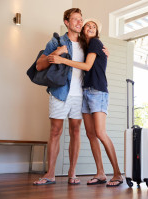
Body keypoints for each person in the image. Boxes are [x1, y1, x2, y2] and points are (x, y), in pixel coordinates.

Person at [33, 9, 109, 185]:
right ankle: (50, 174)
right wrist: (57, 53)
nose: (79, 23)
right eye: (75, 20)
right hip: (60, 93)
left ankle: (72, 173)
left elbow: (96, 61)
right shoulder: (57, 41)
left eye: (80, 20)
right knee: (55, 132)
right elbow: (38, 66)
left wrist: (106, 52)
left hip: (79, 95)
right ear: (66, 22)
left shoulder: (87, 43)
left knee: (76, 132)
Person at [48, 18, 123, 187]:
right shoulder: (86, 47)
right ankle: (101, 173)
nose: (90, 27)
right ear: (83, 30)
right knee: (90, 135)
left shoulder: (96, 43)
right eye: (87, 25)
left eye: (94, 26)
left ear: (97, 32)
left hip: (98, 92)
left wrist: (62, 60)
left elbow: (88, 66)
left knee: (100, 132)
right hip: (86, 92)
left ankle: (117, 174)